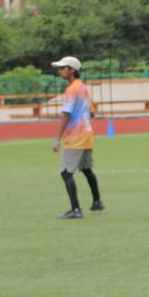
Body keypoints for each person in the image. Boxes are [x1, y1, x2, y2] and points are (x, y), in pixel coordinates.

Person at [50, 56, 103, 219]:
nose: (60, 71)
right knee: (87, 169)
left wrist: (57, 138)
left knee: (66, 172)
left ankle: (75, 209)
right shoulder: (83, 88)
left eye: (63, 68)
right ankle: (97, 202)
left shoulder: (72, 89)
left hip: (76, 137)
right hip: (87, 135)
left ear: (72, 70)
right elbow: (93, 111)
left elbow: (66, 114)